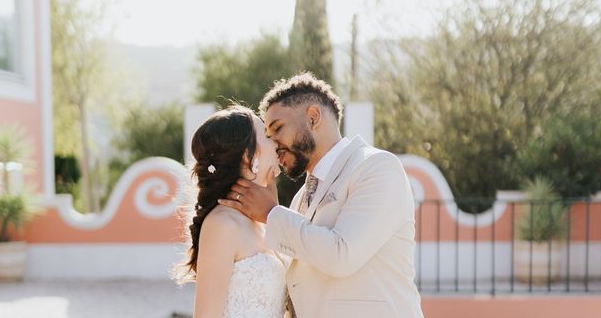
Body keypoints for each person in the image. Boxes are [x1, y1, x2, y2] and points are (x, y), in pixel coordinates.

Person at [219, 73, 424, 318]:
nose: (273, 144)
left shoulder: (377, 167)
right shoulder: (299, 198)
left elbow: (342, 255)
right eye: (268, 137)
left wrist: (271, 213)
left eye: (278, 129)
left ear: (313, 117)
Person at [174, 105, 288, 318]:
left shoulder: (263, 220)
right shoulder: (222, 224)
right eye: (266, 135)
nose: (276, 142)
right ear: (248, 155)